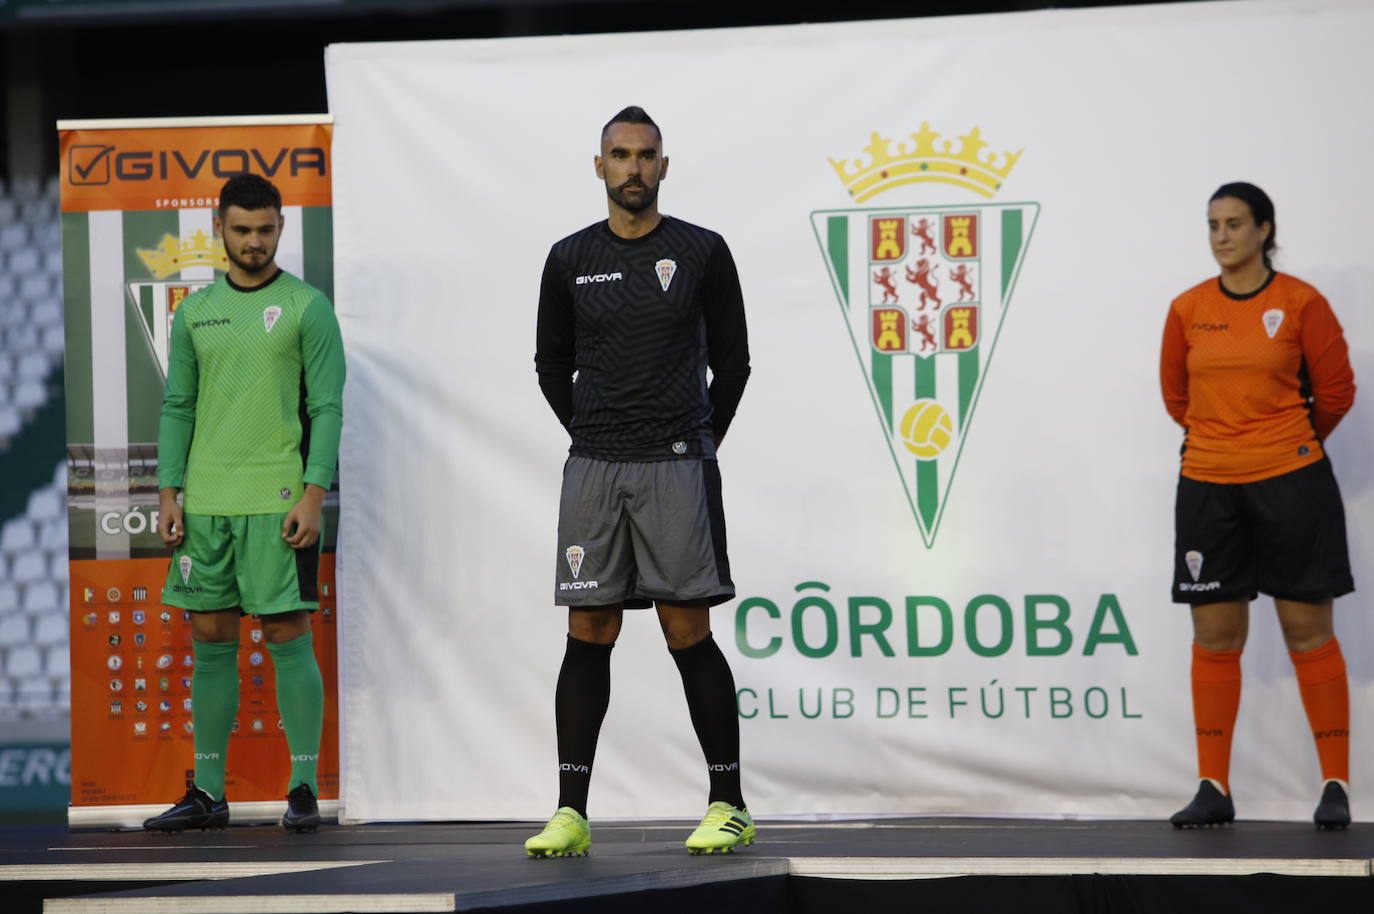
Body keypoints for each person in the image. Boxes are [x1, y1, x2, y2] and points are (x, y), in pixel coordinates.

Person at [526, 106, 754, 857]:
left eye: (646, 155)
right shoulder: (567, 259)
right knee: (588, 630)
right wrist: (592, 431)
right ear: (599, 167)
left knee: (686, 630)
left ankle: (729, 802)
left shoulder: (702, 252)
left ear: (664, 165)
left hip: (676, 466)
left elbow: (735, 363)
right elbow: (550, 366)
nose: (633, 167)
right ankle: (570, 811)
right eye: (619, 155)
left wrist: (697, 439)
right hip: (594, 468)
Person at [143, 173, 345, 834]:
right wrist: (170, 492)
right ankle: (207, 792)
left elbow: (327, 406)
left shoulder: (307, 307)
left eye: (264, 229)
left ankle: (305, 788)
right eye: (241, 229)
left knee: (287, 634)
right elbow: (178, 407)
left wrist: (314, 493)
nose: (253, 241)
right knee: (210, 638)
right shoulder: (194, 312)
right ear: (220, 231)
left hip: (280, 499)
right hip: (204, 504)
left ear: (280, 228)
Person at [1160, 182, 1356, 829]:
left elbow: (1335, 392)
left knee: (1308, 634)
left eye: (1235, 224)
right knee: (1215, 640)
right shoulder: (1187, 309)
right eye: (1212, 225)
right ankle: (1213, 787)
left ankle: (1335, 787)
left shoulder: (1301, 303)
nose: (1221, 236)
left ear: (1265, 230)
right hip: (1209, 485)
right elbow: (1176, 398)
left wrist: (1285, 444)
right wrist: (1226, 441)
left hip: (1291, 484)